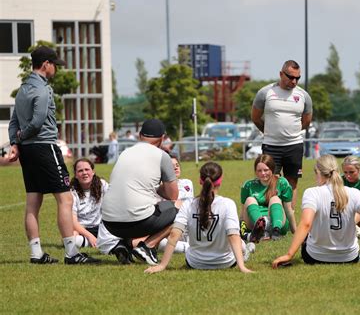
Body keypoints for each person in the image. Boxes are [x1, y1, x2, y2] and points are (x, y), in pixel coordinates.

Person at [7, 45, 99, 264]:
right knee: (65, 199)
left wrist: (16, 142)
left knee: (32, 202)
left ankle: (36, 253)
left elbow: (13, 121)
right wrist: (21, 136)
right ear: (46, 64)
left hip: (28, 152)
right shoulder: (43, 89)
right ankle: (71, 253)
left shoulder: (23, 89)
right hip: (45, 147)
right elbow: (37, 122)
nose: (56, 69)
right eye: (55, 65)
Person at [272, 155, 360, 267]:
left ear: (318, 172)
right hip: (350, 257)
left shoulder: (312, 192)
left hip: (315, 256)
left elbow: (306, 224)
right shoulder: (354, 192)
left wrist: (289, 255)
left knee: (309, 234)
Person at [145, 162, 253, 274]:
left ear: (200, 180)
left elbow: (174, 235)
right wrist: (242, 267)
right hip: (225, 262)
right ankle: (246, 251)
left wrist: (162, 265)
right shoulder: (228, 204)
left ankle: (247, 249)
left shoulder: (188, 204)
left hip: (194, 262)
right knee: (240, 242)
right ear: (220, 180)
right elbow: (233, 236)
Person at [101, 118, 180, 265]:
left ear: (139, 136)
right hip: (137, 222)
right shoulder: (162, 156)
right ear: (162, 138)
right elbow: (173, 196)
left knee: (141, 208)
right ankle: (147, 247)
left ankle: (125, 245)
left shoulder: (125, 153)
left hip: (109, 222)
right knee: (181, 209)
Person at [251, 60, 313, 210]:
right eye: (290, 77)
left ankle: (288, 217)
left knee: (292, 182)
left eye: (297, 78)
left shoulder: (304, 95)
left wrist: (291, 133)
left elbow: (306, 121)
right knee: (270, 181)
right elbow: (255, 117)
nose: (294, 81)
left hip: (294, 146)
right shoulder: (265, 93)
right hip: (271, 146)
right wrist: (269, 132)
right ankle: (273, 217)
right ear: (281, 74)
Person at [240, 154, 296, 242]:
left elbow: (289, 210)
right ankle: (260, 230)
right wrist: (240, 229)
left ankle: (276, 231)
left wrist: (295, 231)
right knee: (249, 200)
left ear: (272, 169)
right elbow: (243, 213)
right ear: (255, 171)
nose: (263, 173)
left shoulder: (282, 182)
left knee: (275, 199)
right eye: (259, 170)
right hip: (255, 224)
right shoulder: (248, 185)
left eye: (266, 170)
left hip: (278, 222)